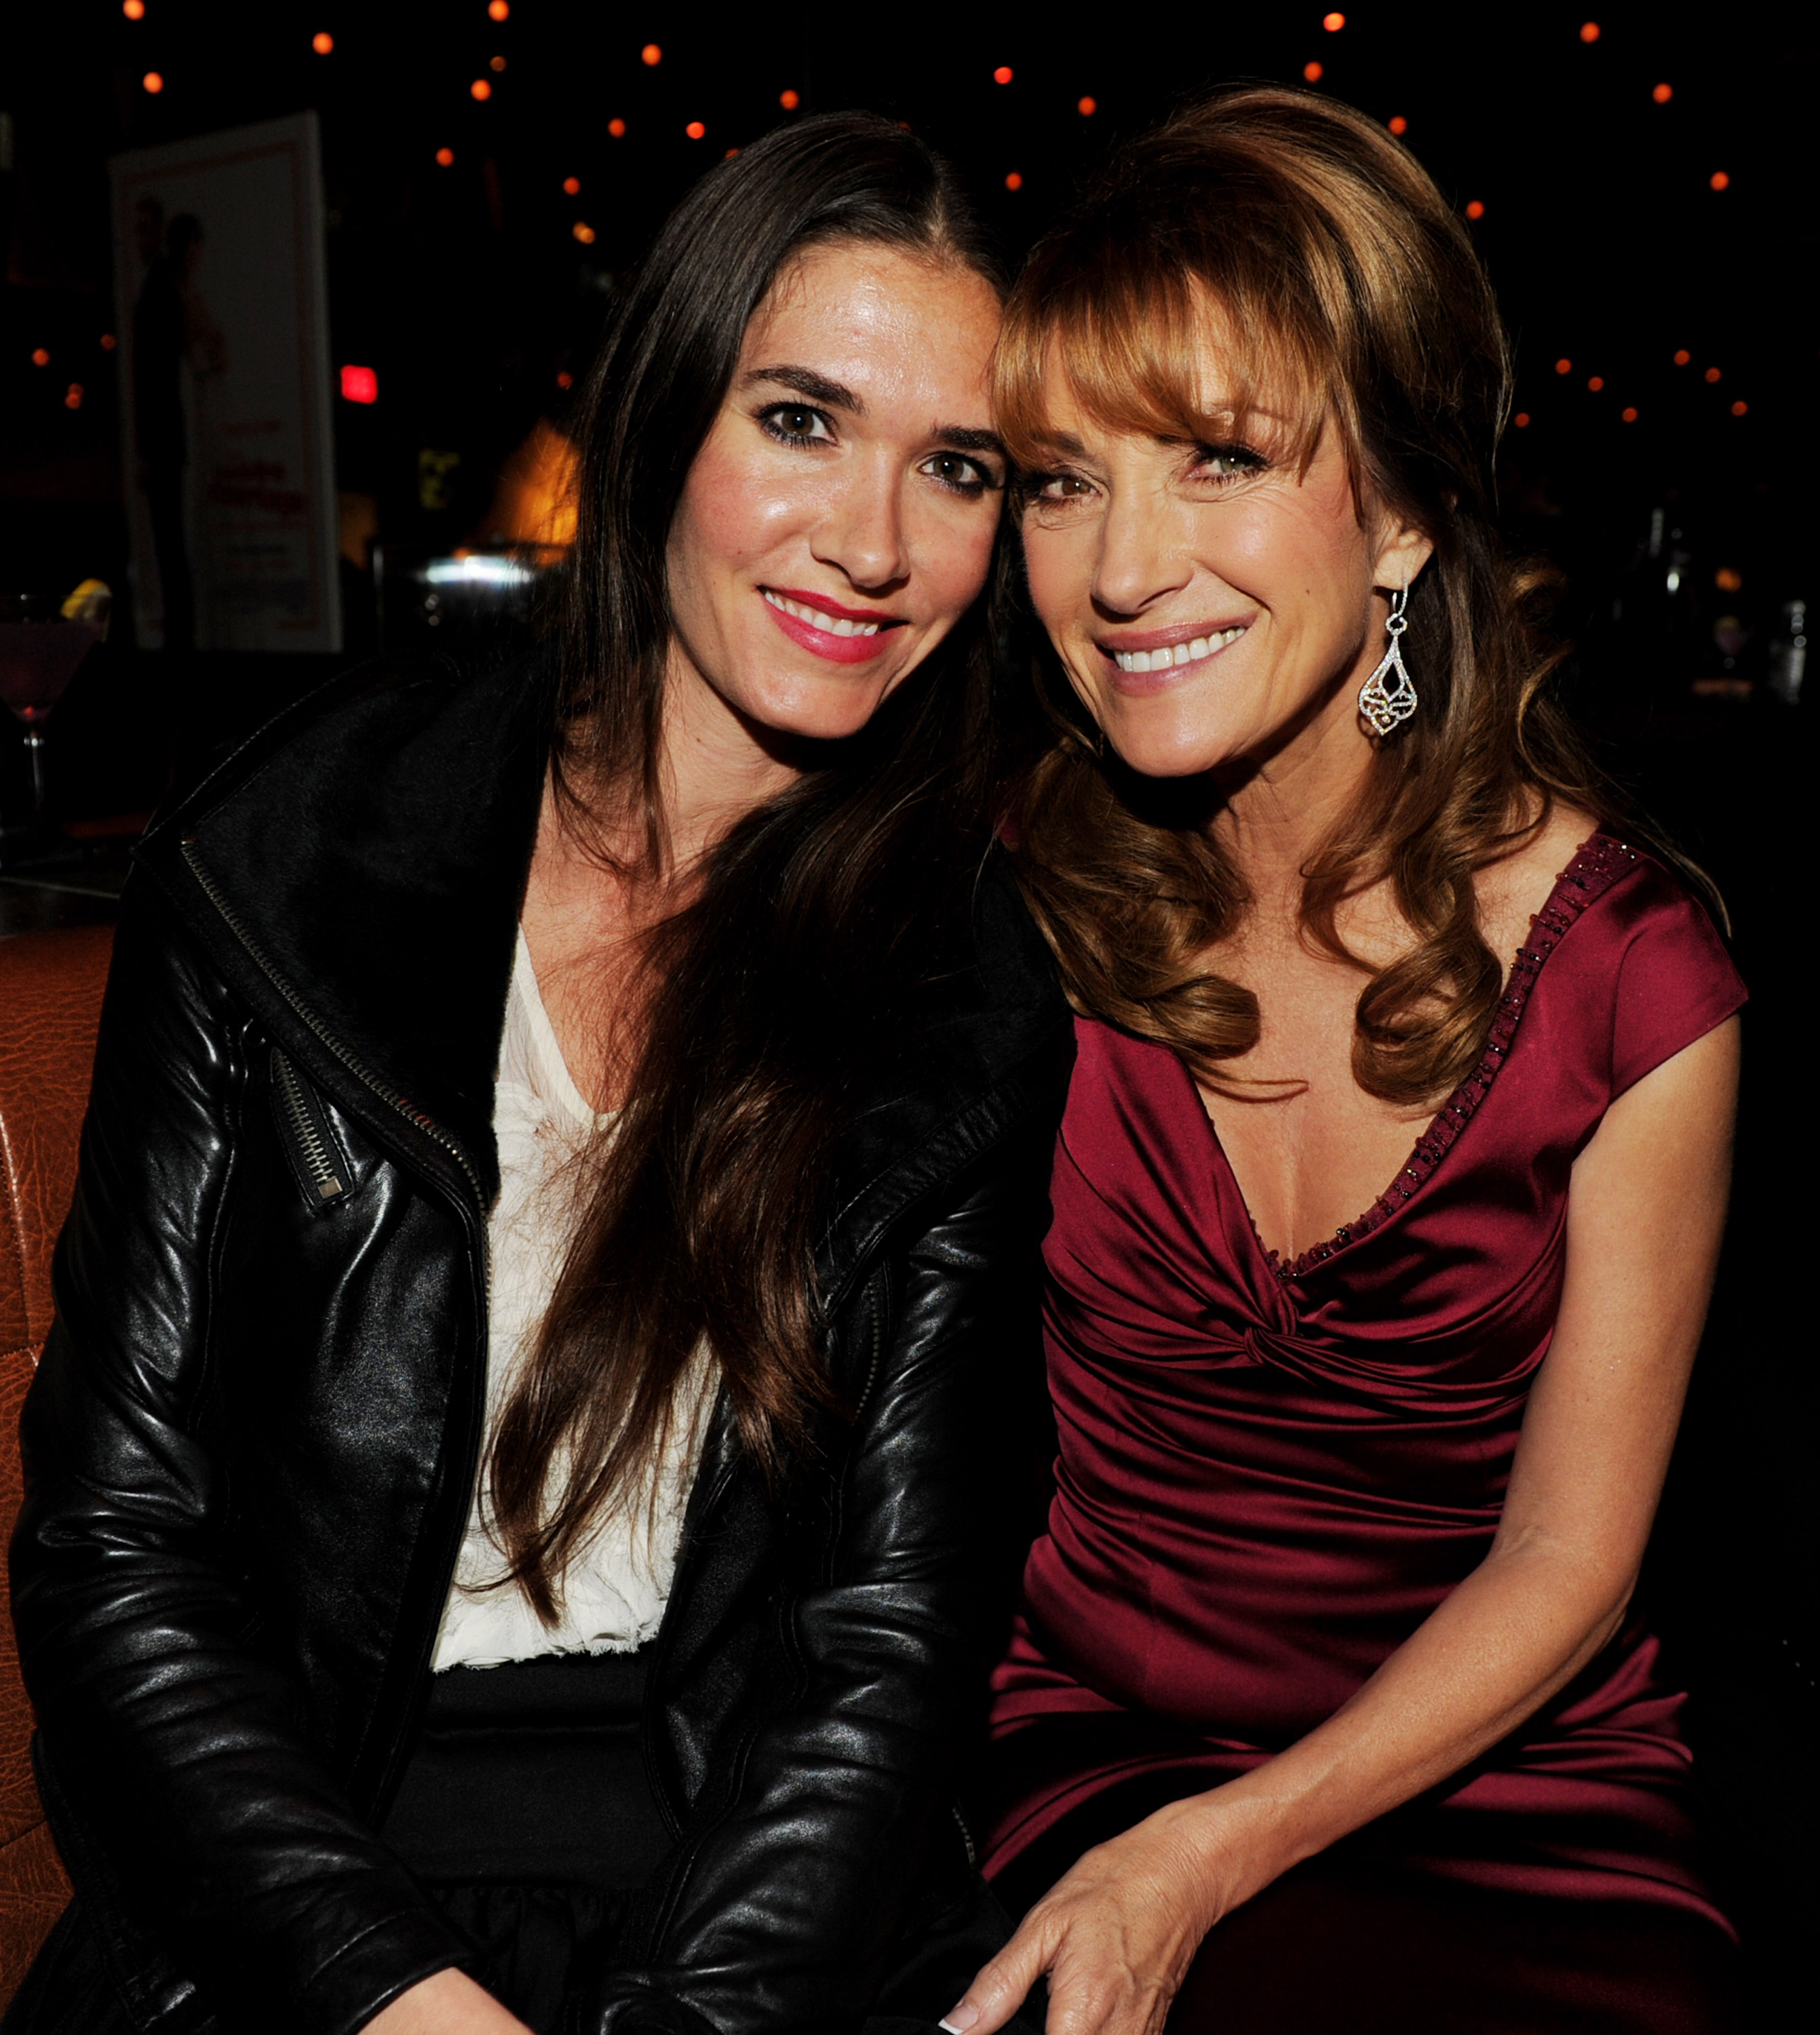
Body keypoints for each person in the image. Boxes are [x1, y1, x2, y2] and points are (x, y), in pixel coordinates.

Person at [8, 115, 1067, 2035]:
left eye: (958, 468)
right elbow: (119, 1550)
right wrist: (389, 1993)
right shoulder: (284, 859)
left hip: (746, 1905)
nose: (874, 541)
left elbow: (886, 1643)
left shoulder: (965, 990)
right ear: (663, 414)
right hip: (299, 1892)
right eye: (801, 420)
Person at [942, 89, 1746, 2035]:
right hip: (1100, 1739)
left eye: (1214, 459)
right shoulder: (1009, 896)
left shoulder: (1632, 979)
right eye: (1060, 480)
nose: (1120, 567)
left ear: (1396, 510)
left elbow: (1567, 1560)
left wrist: (1214, 1857)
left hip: (1513, 1780)